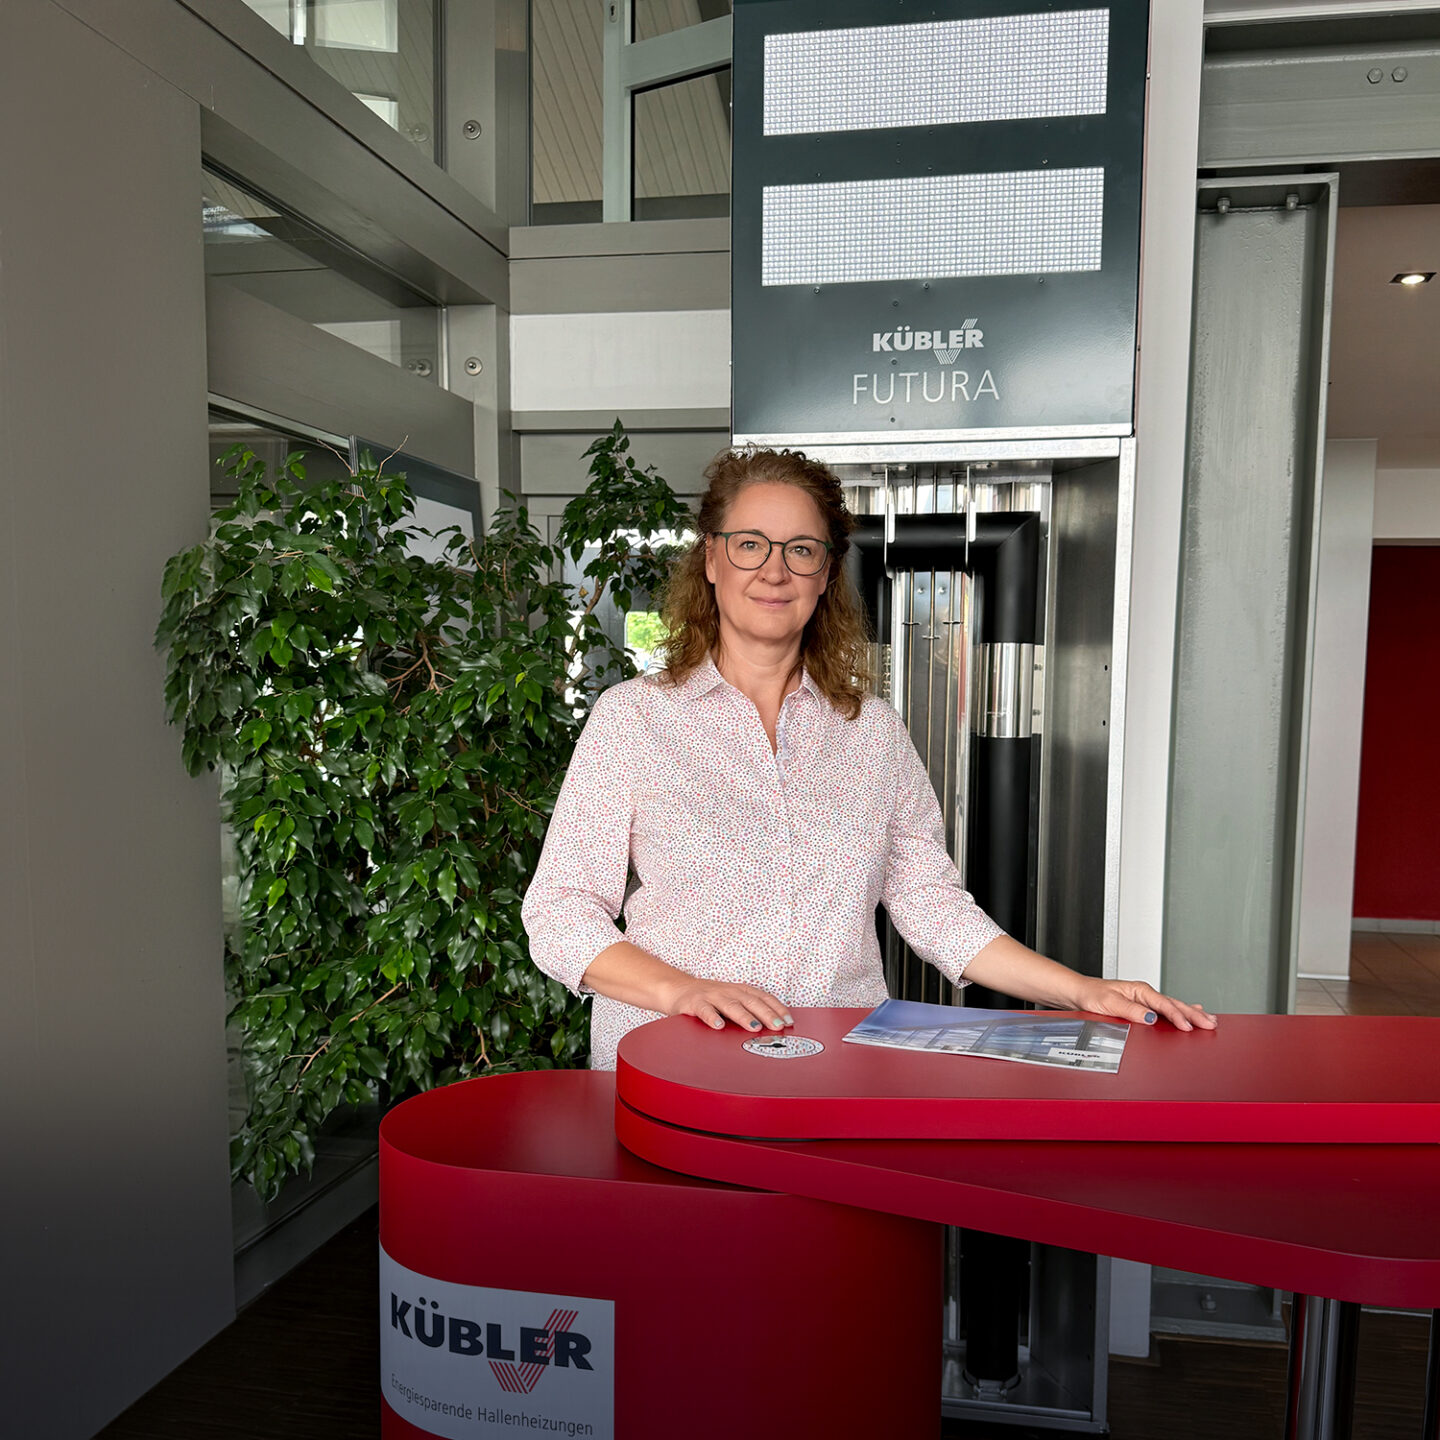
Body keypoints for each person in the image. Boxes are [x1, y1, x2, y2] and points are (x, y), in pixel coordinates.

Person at [522, 447, 1216, 1070]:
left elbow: (930, 904)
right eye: (749, 545)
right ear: (710, 558)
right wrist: (685, 991)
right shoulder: (634, 718)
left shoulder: (872, 734)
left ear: (826, 573)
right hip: (675, 1066)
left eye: (801, 549)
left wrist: (1081, 990)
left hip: (834, 1066)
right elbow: (558, 912)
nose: (774, 569)